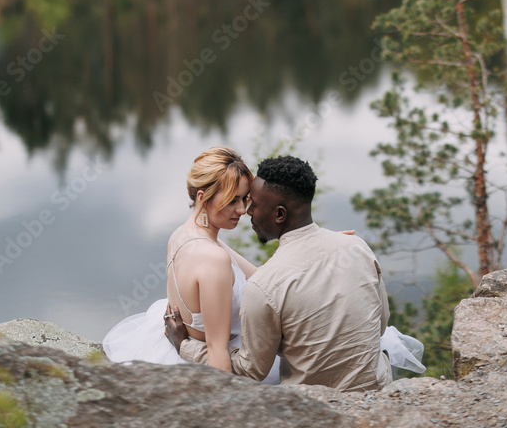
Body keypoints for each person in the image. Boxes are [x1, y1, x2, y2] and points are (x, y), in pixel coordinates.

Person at [165, 155, 424, 391]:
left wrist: (185, 346)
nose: (247, 212)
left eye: (251, 203)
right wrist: (325, 249)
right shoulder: (357, 247)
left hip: (316, 404)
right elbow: (379, 324)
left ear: (279, 215)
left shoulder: (264, 287)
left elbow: (249, 371)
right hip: (378, 387)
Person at [102, 146, 281, 382]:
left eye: (244, 198)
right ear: (202, 197)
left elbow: (261, 277)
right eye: (232, 200)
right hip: (210, 365)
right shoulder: (213, 258)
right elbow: (217, 350)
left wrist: (308, 247)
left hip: (175, 348)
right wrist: (226, 409)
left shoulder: (182, 235)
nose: (242, 210)